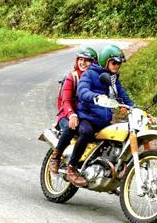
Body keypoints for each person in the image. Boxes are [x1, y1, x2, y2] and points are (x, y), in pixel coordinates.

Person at [65, 43, 134, 187]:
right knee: (87, 132)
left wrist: (135, 108)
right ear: (105, 61)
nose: (117, 66)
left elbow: (124, 97)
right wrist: (95, 97)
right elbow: (82, 90)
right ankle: (71, 168)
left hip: (103, 120)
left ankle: (111, 173)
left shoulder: (114, 80)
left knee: (118, 137)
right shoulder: (90, 73)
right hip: (87, 117)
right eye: (114, 62)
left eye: (119, 63)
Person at [50, 46, 98, 175]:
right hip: (67, 115)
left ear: (94, 62)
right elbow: (66, 100)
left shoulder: (96, 79)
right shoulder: (73, 77)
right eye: (80, 59)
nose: (83, 63)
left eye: (87, 60)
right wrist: (71, 115)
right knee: (72, 126)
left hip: (85, 116)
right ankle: (56, 156)